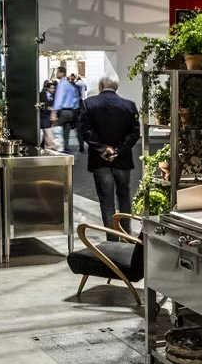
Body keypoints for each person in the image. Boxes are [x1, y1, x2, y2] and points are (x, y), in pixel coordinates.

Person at [77, 76, 140, 239]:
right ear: (116, 87)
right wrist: (119, 150)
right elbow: (134, 133)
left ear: (101, 85)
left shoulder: (89, 104)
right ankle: (127, 235)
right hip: (122, 159)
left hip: (100, 160)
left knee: (106, 200)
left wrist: (102, 148)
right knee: (124, 197)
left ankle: (112, 239)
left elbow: (84, 130)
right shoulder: (129, 105)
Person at [51, 67, 86, 153]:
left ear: (62, 73)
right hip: (71, 111)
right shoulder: (70, 85)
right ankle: (65, 147)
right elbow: (75, 99)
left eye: (57, 72)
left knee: (56, 128)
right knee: (66, 129)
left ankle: (59, 147)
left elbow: (59, 98)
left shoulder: (61, 84)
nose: (56, 74)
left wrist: (54, 111)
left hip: (63, 111)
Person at [39, 80, 58, 149]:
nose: (53, 90)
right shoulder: (41, 94)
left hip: (50, 116)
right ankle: (48, 145)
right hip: (43, 115)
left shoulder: (55, 96)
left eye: (54, 88)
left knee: (47, 131)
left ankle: (45, 145)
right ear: (47, 88)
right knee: (46, 131)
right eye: (52, 88)